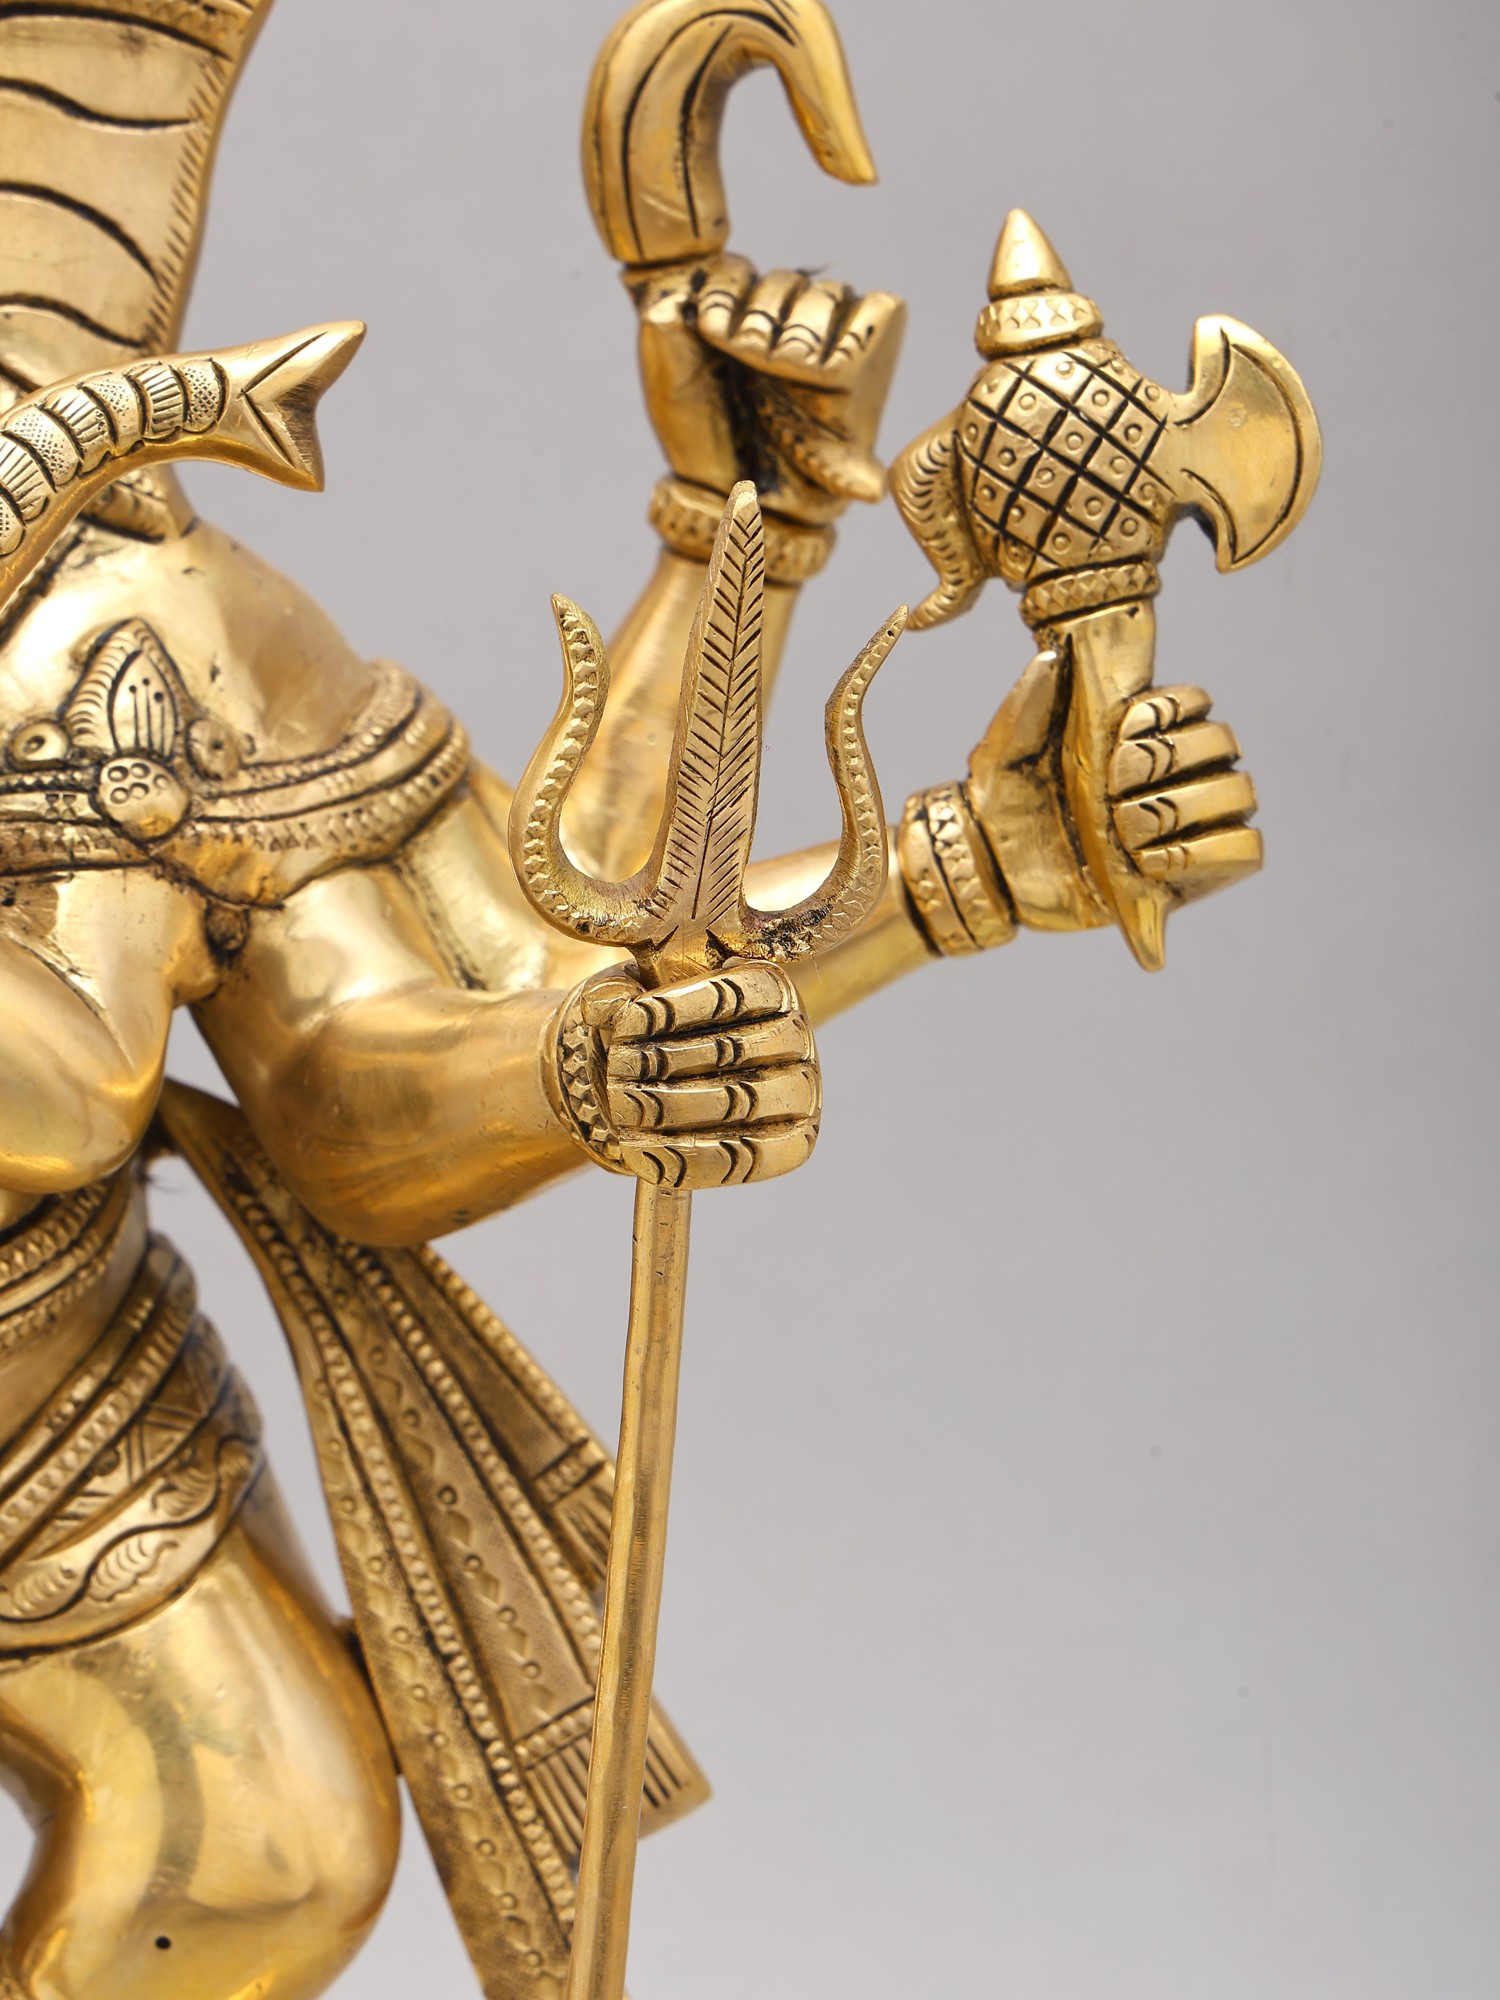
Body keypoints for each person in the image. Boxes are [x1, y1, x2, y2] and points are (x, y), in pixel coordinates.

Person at [0, 3, 1263, 1996]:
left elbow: (441, 1026)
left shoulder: (144, 625)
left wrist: (881, 768)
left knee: (260, 1848)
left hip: (46, 1409)